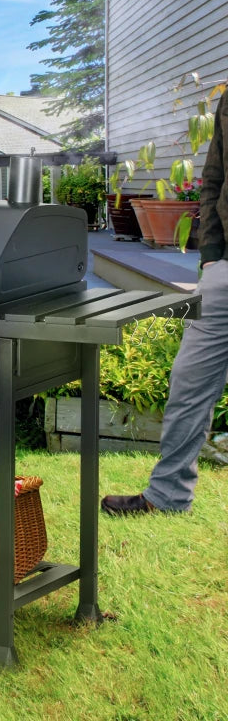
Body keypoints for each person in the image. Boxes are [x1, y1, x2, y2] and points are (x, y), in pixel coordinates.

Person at [101, 88, 228, 516]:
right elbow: (214, 180)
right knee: (190, 381)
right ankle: (169, 495)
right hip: (225, 270)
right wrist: (211, 256)